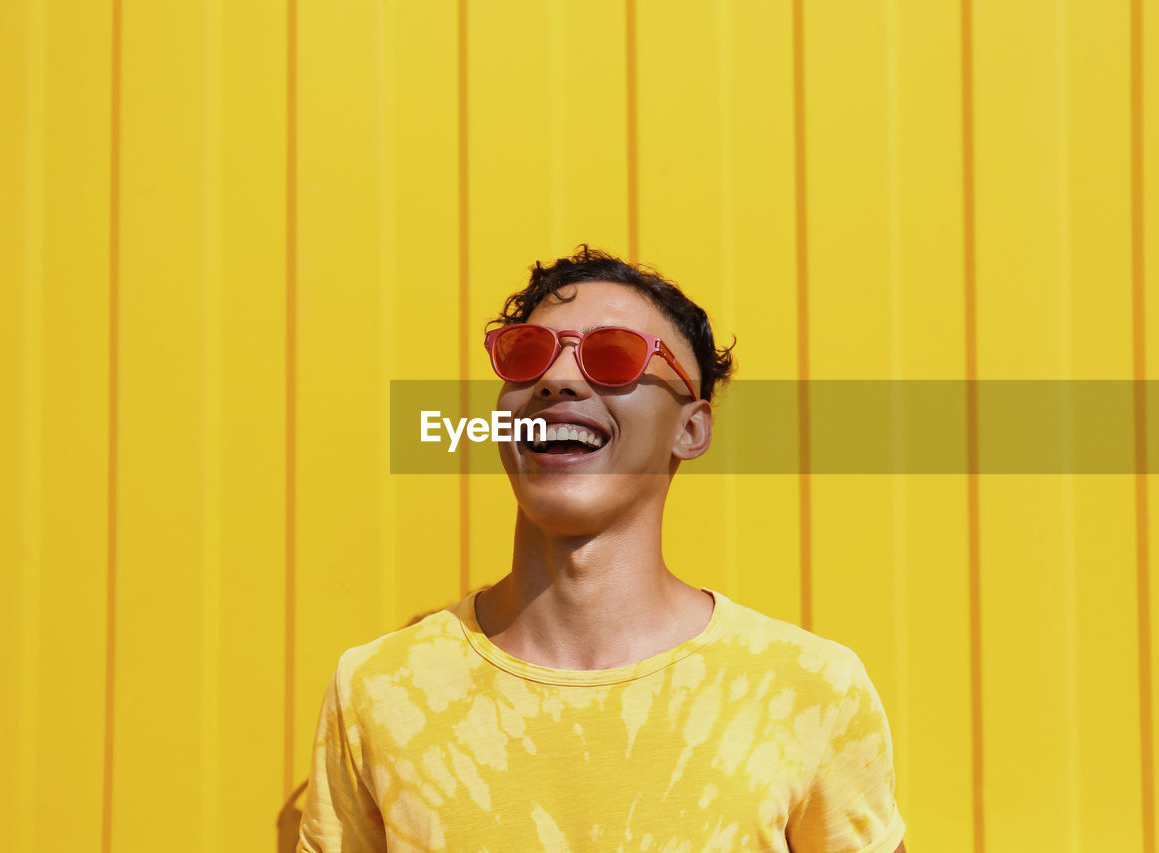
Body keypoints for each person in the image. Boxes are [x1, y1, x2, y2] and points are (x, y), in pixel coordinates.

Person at [297, 246, 907, 852]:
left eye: (612, 357)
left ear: (690, 429)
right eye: (527, 356)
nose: (558, 378)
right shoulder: (377, 691)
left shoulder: (808, 688)